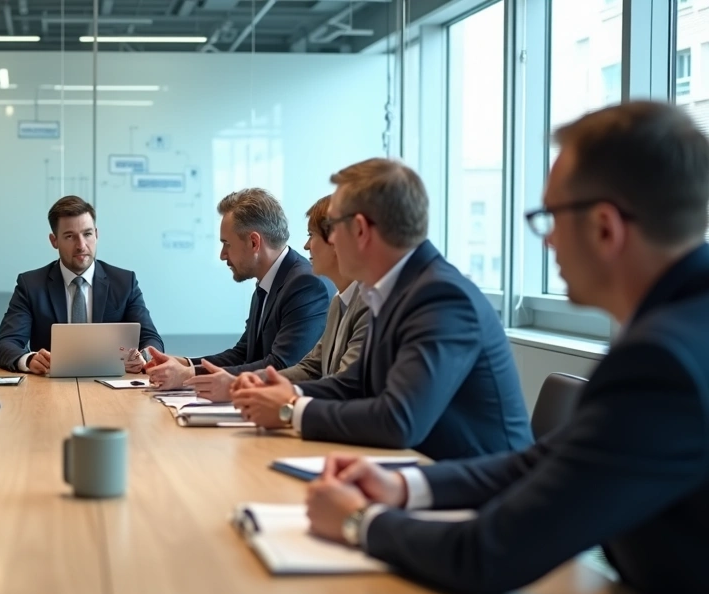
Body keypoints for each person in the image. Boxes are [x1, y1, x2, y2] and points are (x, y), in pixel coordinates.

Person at [304, 101, 709, 594]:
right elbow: (541, 461)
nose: (546, 240)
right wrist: (405, 489)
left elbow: (489, 555)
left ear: (606, 228)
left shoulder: (662, 362)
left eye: (551, 217)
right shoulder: (681, 326)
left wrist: (360, 522)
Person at [230, 159, 532, 461]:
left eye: (332, 227)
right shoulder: (392, 291)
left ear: (360, 229)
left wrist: (291, 409)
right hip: (421, 472)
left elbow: (399, 420)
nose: (327, 241)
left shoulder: (441, 296)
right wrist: (287, 394)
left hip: (481, 493)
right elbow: (352, 384)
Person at [144, 188, 333, 389]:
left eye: (226, 244)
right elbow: (243, 353)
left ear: (254, 242)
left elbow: (280, 365)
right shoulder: (269, 282)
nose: (222, 255)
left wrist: (189, 375)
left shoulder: (305, 285)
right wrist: (184, 363)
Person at [195, 195, 370, 402]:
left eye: (311, 235)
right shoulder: (338, 302)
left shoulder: (365, 304)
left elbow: (344, 385)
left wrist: (242, 387)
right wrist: (234, 381)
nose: (306, 246)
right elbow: (311, 368)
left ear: (338, 242)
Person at [0, 195, 164, 374]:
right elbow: (4, 344)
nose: (81, 245)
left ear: (96, 235)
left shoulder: (124, 282)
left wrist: (143, 357)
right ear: (54, 241)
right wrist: (28, 359)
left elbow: (151, 339)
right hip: (49, 388)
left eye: (87, 234)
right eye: (69, 236)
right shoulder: (31, 285)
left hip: (113, 387)